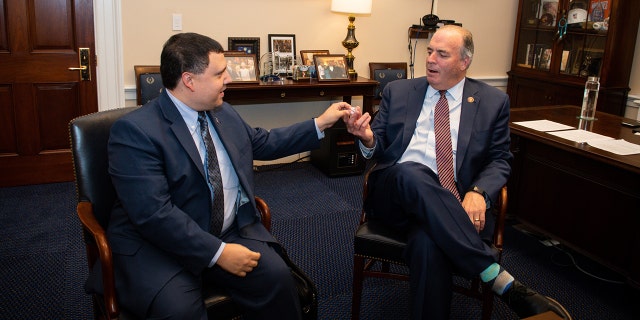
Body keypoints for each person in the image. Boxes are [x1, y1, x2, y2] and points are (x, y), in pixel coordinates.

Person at [86, 32, 353, 319]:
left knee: (278, 279)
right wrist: (219, 253)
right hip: (159, 247)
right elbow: (153, 215)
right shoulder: (135, 132)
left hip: (225, 231)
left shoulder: (221, 111)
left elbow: (263, 142)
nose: (229, 79)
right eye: (219, 74)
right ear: (189, 81)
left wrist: (320, 123)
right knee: (179, 312)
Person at [345, 25, 572, 320]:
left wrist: (478, 193)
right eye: (429, 51)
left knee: (428, 243)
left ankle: (499, 283)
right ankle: (496, 276)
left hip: (453, 207)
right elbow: (380, 148)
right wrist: (368, 139)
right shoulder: (398, 91)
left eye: (442, 54)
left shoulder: (492, 102)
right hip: (395, 195)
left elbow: (500, 159)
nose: (430, 60)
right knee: (412, 172)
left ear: (464, 62)